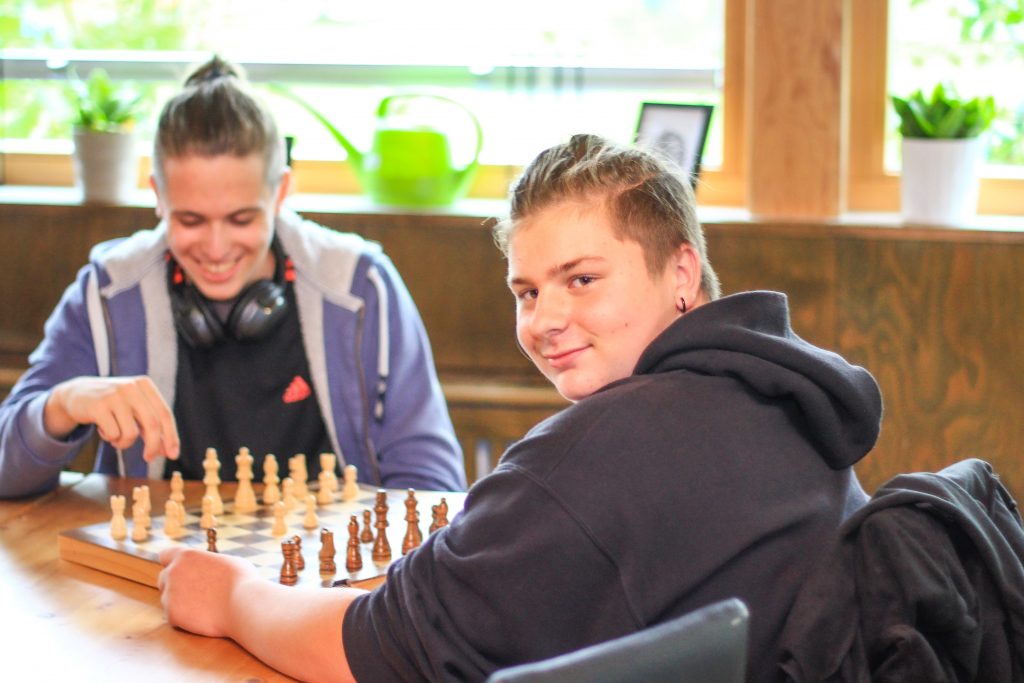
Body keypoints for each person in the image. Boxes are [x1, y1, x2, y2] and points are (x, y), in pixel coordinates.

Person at [157, 134, 883, 682]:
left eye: (582, 278)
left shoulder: (589, 456)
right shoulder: (775, 391)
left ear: (681, 270)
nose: (544, 320)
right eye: (527, 291)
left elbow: (378, 648)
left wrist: (233, 595)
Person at [0, 56, 466, 498]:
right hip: (155, 569)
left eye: (242, 220)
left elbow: (432, 486)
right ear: (158, 197)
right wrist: (61, 405)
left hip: (327, 577)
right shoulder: (106, 291)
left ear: (281, 190)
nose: (217, 249)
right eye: (190, 221)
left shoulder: (361, 286)